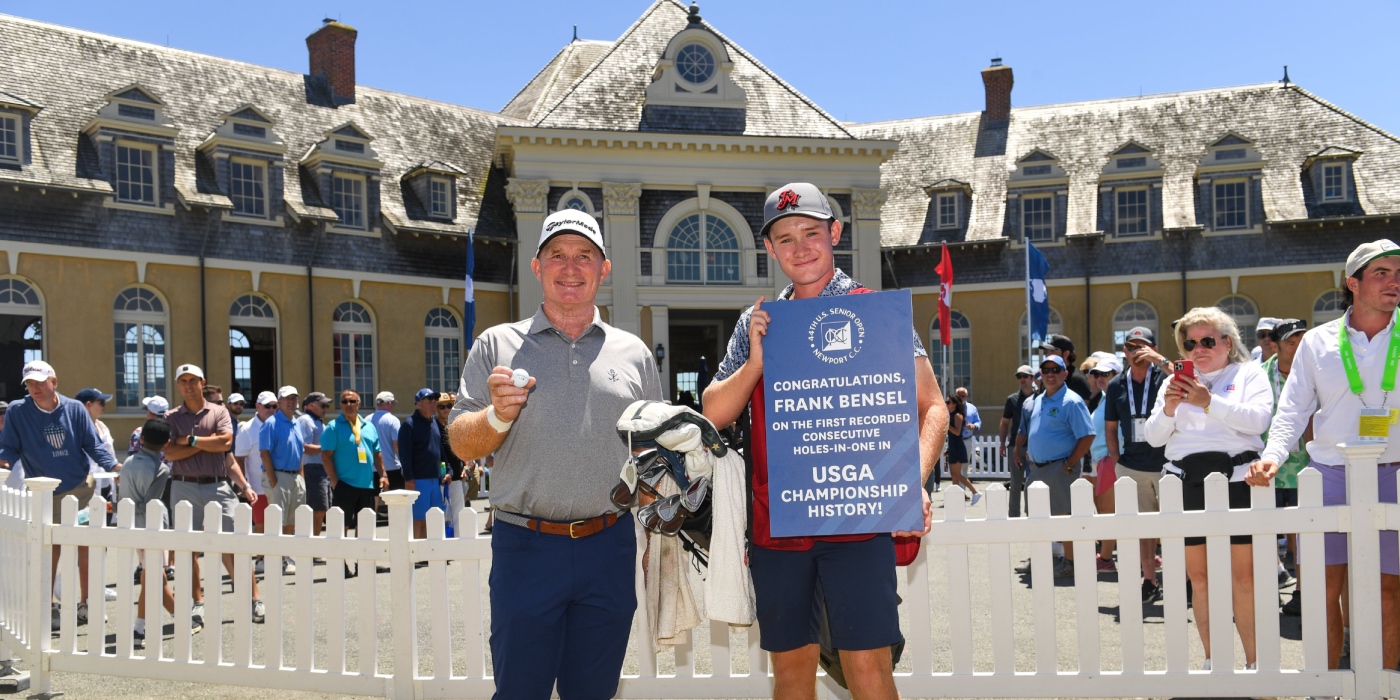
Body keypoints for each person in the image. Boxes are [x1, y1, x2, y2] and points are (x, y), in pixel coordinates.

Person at [700, 183, 945, 700]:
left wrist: (910, 483)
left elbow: (933, 407)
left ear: (835, 233)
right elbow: (713, 412)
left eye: (811, 232)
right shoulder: (756, 322)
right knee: (790, 675)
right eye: (785, 238)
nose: (800, 247)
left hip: (857, 518)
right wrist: (756, 363)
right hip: (779, 525)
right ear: (769, 248)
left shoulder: (875, 312)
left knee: (869, 672)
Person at [447, 207, 664, 699]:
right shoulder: (496, 344)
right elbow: (461, 440)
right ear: (537, 266)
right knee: (520, 691)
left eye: (585, 255)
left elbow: (650, 454)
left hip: (609, 545)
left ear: (604, 269)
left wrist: (657, 541)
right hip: (526, 546)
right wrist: (497, 416)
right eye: (558, 255)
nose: (571, 266)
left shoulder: (634, 353)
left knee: (594, 692)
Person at [1249, 240, 1400, 671]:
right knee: (1321, 589)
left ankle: (1388, 687)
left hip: (1393, 475)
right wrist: (1273, 455)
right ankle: (1325, 685)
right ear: (1352, 283)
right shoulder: (1317, 341)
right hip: (1328, 476)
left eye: (1398, 274)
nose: (1394, 282)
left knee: (1390, 590)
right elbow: (1292, 409)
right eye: (1381, 274)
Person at [1146, 307, 1272, 671]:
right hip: (1186, 482)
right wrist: (1169, 407)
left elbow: (1259, 420)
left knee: (1243, 577)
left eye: (1207, 341)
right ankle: (1213, 661)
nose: (1198, 349)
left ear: (1227, 342)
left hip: (1237, 480)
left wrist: (1208, 401)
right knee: (1199, 578)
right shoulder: (1174, 381)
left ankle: (1255, 663)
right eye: (1190, 343)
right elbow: (1153, 437)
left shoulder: (1248, 373)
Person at [0, 360, 117, 630]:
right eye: (29, 384)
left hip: (81, 488)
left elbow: (93, 444)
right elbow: (8, 447)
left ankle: (88, 604)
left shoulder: (75, 408)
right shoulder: (18, 410)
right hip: (45, 493)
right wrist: (3, 461)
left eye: (40, 382)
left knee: (87, 548)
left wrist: (114, 466)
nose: (35, 388)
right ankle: (50, 606)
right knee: (49, 550)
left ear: (54, 381)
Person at [161, 363, 263, 628]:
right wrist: (208, 444)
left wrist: (191, 441)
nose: (188, 385)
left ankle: (253, 599)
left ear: (201, 382)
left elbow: (226, 444)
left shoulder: (219, 412)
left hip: (217, 485)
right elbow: (170, 454)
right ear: (178, 385)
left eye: (192, 380)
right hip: (183, 485)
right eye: (182, 381)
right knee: (188, 549)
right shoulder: (171, 417)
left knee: (236, 544)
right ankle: (197, 603)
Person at [1104, 326, 1170, 603]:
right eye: (1132, 347)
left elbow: (1191, 379)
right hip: (1132, 465)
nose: (1137, 352)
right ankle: (1149, 580)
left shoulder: (1163, 376)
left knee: (1175, 526)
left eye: (1143, 346)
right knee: (1143, 528)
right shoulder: (1118, 384)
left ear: (1153, 348)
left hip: (1168, 463)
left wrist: (1160, 361)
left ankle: (1186, 580)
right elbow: (1110, 427)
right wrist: (1116, 457)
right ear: (1124, 351)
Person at [1014, 354, 1095, 579]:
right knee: (1037, 517)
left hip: (1060, 468)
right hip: (1037, 468)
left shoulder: (1072, 401)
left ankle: (1070, 562)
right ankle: (1041, 559)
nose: (1050, 374)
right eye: (1046, 370)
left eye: (1055, 370)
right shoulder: (1039, 399)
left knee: (1063, 516)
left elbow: (1087, 435)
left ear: (1065, 373)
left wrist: (1069, 463)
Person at [1262, 319, 1308, 615]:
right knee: (1266, 532)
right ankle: (1267, 590)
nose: (1299, 347)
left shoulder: (1314, 371)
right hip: (1270, 468)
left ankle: (1303, 592)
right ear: (1275, 347)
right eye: (1292, 342)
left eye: (1302, 341)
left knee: (1303, 535)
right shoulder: (1259, 376)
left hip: (1307, 467)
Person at [121, 418, 178, 646]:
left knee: (154, 575)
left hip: (132, 523)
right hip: (152, 526)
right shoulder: (161, 468)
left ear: (141, 438)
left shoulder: (128, 462)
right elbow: (151, 502)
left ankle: (163, 620)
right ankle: (143, 626)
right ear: (166, 443)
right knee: (154, 576)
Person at [321, 389, 386, 577]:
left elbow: (377, 453)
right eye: (344, 402)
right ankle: (341, 565)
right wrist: (335, 482)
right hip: (345, 484)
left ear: (359, 403)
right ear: (340, 405)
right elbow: (326, 456)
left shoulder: (368, 426)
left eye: (352, 401)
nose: (348, 404)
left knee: (365, 527)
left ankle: (363, 563)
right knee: (342, 527)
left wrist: (384, 475)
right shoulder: (333, 427)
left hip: (366, 485)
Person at [260, 385, 306, 574]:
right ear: (279, 402)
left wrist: (301, 476)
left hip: (295, 476)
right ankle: (272, 558)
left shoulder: (296, 422)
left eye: (294, 398)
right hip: (278, 475)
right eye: (287, 399)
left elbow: (300, 452)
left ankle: (284, 557)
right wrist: (274, 480)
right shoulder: (271, 423)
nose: (291, 402)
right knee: (275, 520)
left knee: (290, 521)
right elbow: (264, 453)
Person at [1086, 357, 1122, 572]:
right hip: (1101, 460)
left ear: (1117, 375)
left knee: (1108, 512)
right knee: (1105, 510)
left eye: (1105, 374)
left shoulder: (1117, 398)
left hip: (1110, 459)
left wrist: (1113, 459)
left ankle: (1106, 559)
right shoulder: (1105, 399)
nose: (1099, 378)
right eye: (1096, 374)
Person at [398, 388, 446, 542]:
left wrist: (447, 470)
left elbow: (440, 451)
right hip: (418, 479)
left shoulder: (434, 423)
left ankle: (428, 550)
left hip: (435, 478)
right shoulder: (409, 425)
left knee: (433, 517)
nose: (433, 404)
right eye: (429, 401)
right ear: (418, 403)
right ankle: (417, 551)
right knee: (418, 517)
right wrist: (409, 478)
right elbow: (405, 454)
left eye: (434, 400)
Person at [234, 391, 277, 541]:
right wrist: (245, 486)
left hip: (279, 484)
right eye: (267, 406)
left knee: (280, 524)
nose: (271, 409)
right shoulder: (247, 429)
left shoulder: (279, 424)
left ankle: (279, 557)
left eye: (274, 406)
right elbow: (239, 459)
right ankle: (260, 559)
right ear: (257, 406)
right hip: (258, 488)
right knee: (261, 524)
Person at [437, 392, 476, 537]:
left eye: (449, 406)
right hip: (443, 477)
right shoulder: (434, 427)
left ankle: (458, 543)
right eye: (442, 406)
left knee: (459, 512)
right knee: (443, 514)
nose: (446, 409)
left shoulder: (454, 425)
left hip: (458, 475)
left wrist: (466, 466)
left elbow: (464, 447)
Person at [1001, 365, 1037, 517]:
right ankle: (1014, 516)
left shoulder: (1040, 398)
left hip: (1034, 446)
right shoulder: (1012, 399)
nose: (1022, 379)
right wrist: (1002, 443)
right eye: (1019, 376)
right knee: (1015, 483)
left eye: (1025, 376)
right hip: (1015, 446)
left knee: (1032, 482)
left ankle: (1032, 513)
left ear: (1032, 378)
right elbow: (1004, 422)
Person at [296, 391, 331, 537]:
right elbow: (304, 447)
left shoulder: (317, 421)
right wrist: (328, 447)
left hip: (321, 469)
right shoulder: (306, 420)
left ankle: (314, 544)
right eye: (323, 405)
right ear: (311, 405)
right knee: (318, 509)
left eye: (327, 405)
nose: (326, 409)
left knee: (322, 509)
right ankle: (313, 545)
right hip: (312, 469)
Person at [75, 388, 116, 508]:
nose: (105, 407)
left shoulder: (102, 426)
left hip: (106, 483)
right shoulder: (75, 428)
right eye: (101, 403)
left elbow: (110, 454)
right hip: (86, 485)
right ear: (88, 405)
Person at [946, 394, 980, 504]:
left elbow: (956, 432)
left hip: (958, 446)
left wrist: (947, 425)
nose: (946, 404)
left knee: (957, 475)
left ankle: (975, 492)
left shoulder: (958, 416)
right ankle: (956, 499)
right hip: (953, 445)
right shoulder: (950, 415)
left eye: (948, 402)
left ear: (954, 404)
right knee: (954, 476)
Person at [370, 392, 404, 494]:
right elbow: (396, 444)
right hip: (391, 467)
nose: (393, 406)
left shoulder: (366, 419)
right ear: (389, 403)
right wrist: (404, 463)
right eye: (393, 403)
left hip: (372, 467)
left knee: (373, 499)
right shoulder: (393, 420)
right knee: (395, 500)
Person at [1042, 334, 1093, 400]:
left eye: (1052, 351)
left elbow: (1084, 407)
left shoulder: (1078, 380)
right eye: (1047, 351)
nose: (1048, 354)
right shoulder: (1047, 379)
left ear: (1066, 354)